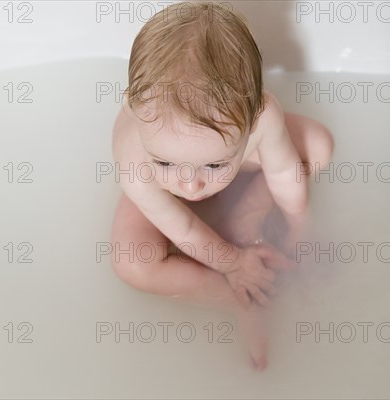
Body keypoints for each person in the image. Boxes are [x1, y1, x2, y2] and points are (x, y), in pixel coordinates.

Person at [109, 1, 333, 370]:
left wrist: (300, 223)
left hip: (236, 157)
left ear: (254, 116)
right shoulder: (135, 157)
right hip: (158, 200)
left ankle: (248, 214)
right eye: (166, 160)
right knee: (133, 263)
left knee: (318, 145)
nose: (191, 185)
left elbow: (283, 170)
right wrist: (231, 264)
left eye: (214, 164)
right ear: (134, 110)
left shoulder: (264, 117)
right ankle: (234, 296)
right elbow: (179, 225)